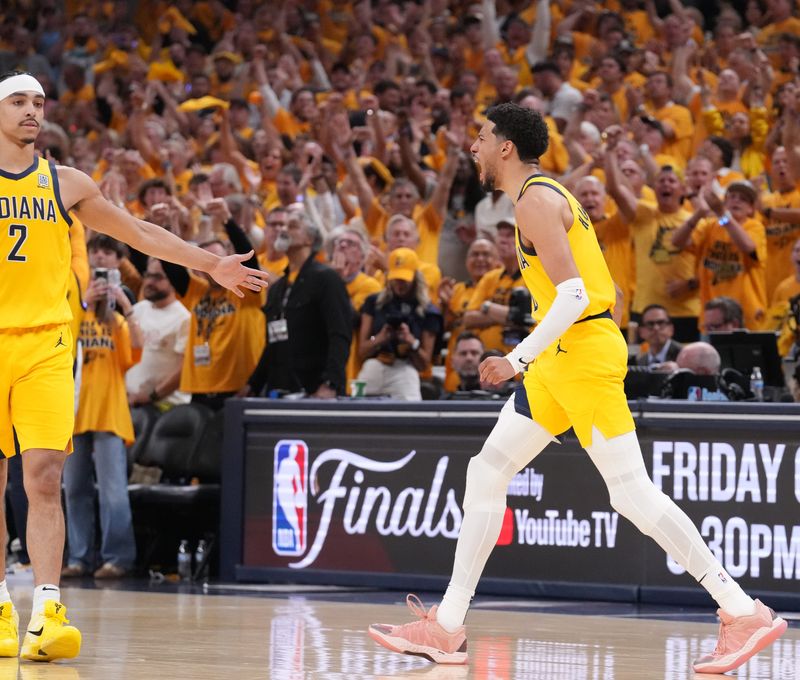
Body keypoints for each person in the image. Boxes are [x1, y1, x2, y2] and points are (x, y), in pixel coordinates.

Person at [368, 103, 787, 674]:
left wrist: (515, 358)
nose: (475, 147)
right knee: (487, 471)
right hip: (560, 363)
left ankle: (743, 612)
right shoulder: (538, 197)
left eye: (483, 137)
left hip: (582, 355)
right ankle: (446, 626)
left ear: (507, 148)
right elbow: (591, 283)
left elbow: (572, 295)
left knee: (631, 495)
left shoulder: (537, 200)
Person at [0, 71, 267, 662]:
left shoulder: (64, 183)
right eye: (17, 102)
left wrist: (209, 263)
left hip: (47, 342)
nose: (30, 112)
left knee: (42, 475)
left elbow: (140, 231)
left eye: (38, 103)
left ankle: (46, 611)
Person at [245, 205, 352, 398]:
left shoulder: (326, 278)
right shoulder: (278, 288)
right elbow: (272, 343)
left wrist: (331, 383)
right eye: (282, 225)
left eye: (292, 226)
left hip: (315, 390)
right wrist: (253, 385)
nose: (283, 230)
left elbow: (340, 334)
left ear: (309, 239)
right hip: (280, 390)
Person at [356, 248, 443, 401]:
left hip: (405, 367)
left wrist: (411, 342)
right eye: (396, 278)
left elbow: (424, 364)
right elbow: (362, 351)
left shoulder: (428, 311)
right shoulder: (374, 302)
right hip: (376, 364)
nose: (399, 284)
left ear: (415, 276)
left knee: (411, 415)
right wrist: (380, 338)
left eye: (404, 279)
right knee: (356, 408)